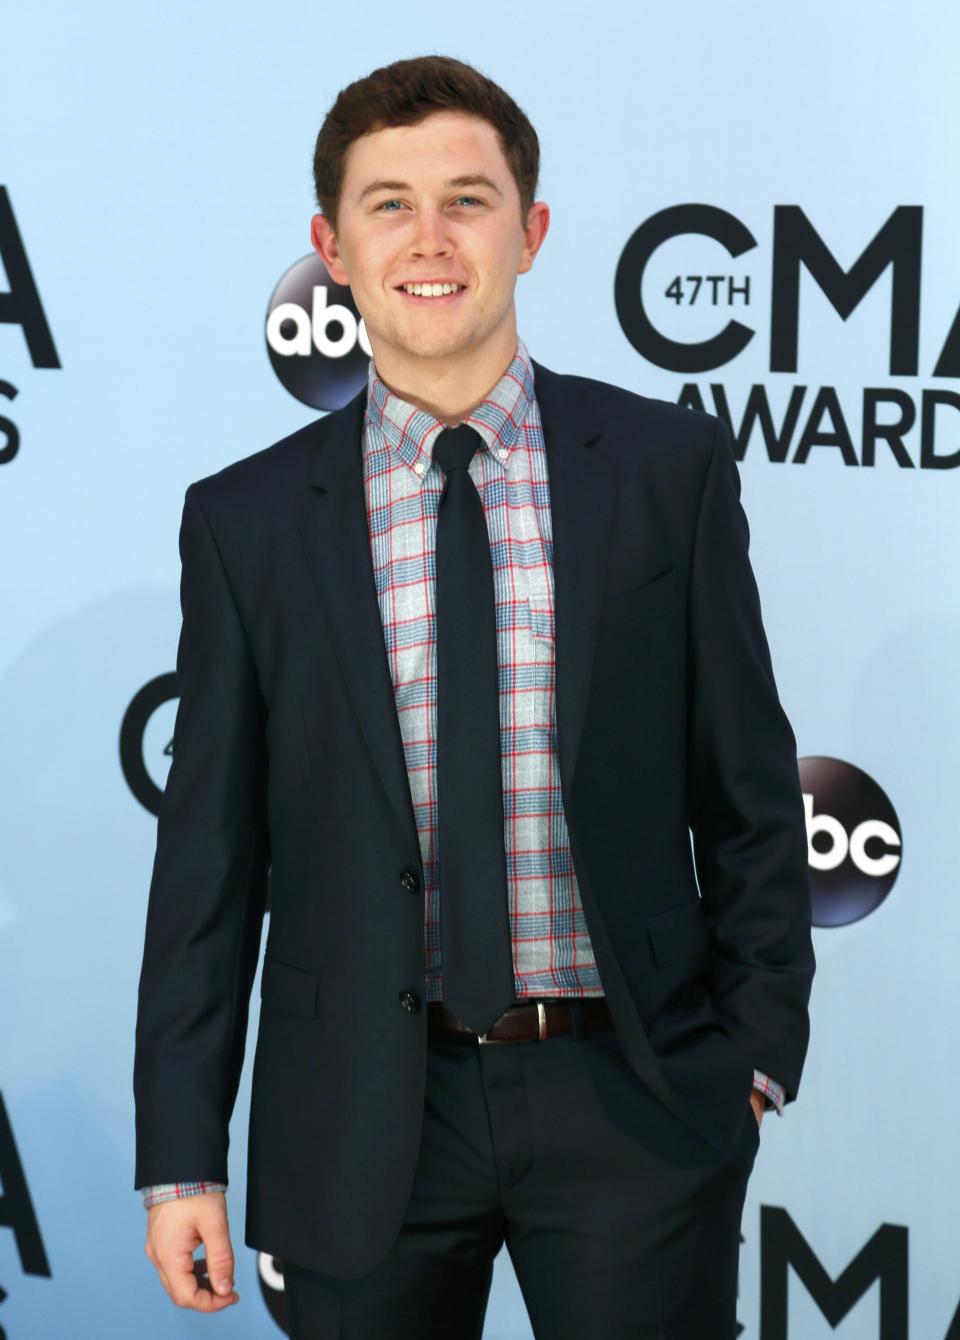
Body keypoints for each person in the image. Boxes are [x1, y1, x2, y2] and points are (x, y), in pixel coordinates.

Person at [133, 53, 815, 1339]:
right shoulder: (247, 522)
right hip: (356, 1116)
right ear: (331, 246)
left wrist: (755, 1054)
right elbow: (206, 869)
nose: (430, 238)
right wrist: (182, 1154)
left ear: (532, 229)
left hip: (634, 1095)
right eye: (389, 204)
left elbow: (748, 788)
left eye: (469, 198)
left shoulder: (665, 469)